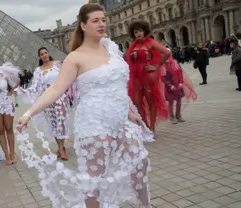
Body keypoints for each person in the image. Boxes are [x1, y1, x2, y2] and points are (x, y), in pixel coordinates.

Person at [17, 3, 153, 208]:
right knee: (94, 181)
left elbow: (115, 83)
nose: (102, 24)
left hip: (120, 118)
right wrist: (29, 113)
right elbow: (55, 89)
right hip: (93, 121)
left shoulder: (111, 47)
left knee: (139, 164)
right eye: (95, 21)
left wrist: (127, 109)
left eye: (103, 20)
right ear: (83, 25)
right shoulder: (75, 57)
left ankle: (145, 206)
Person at [16, 47, 70, 161]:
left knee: (61, 121)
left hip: (60, 97)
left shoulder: (57, 65)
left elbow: (68, 74)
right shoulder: (38, 71)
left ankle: (61, 147)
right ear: (39, 57)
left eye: (46, 53)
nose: (44, 55)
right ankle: (61, 147)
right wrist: (24, 91)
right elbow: (35, 86)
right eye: (42, 54)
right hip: (47, 99)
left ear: (48, 54)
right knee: (54, 123)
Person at [125, 20, 171, 132]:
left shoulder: (150, 42)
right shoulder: (133, 45)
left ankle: (152, 127)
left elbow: (166, 52)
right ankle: (145, 125)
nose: (138, 34)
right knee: (137, 102)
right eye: (136, 32)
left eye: (140, 31)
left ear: (144, 31)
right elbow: (128, 60)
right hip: (135, 76)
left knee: (151, 101)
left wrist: (156, 66)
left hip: (148, 75)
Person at [163, 47, 197, 124]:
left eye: (169, 53)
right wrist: (169, 85)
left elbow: (180, 72)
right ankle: (172, 117)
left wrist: (181, 82)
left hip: (178, 84)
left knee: (179, 100)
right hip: (169, 86)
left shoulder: (175, 62)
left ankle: (178, 115)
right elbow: (163, 77)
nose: (168, 55)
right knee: (171, 101)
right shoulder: (163, 64)